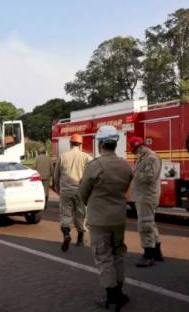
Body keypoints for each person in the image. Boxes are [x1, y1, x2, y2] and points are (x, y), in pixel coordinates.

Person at [79, 126, 133, 311]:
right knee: (118, 254)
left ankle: (111, 296)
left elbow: (83, 192)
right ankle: (120, 292)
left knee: (103, 256)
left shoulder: (95, 165)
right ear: (115, 143)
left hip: (99, 219)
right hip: (119, 217)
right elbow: (125, 187)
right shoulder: (126, 165)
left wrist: (91, 203)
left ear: (101, 143)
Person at [128, 137, 163, 267]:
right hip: (143, 196)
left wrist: (134, 173)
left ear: (140, 147)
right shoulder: (143, 158)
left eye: (135, 150)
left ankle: (148, 255)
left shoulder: (151, 158)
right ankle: (157, 253)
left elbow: (149, 177)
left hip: (147, 197)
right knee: (150, 223)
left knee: (145, 225)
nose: (134, 153)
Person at [54, 133, 92, 251]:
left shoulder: (63, 156)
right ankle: (80, 240)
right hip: (81, 191)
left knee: (66, 214)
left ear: (70, 143)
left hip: (66, 190)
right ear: (80, 144)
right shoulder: (87, 157)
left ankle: (66, 235)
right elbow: (91, 176)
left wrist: (58, 189)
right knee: (81, 215)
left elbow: (56, 175)